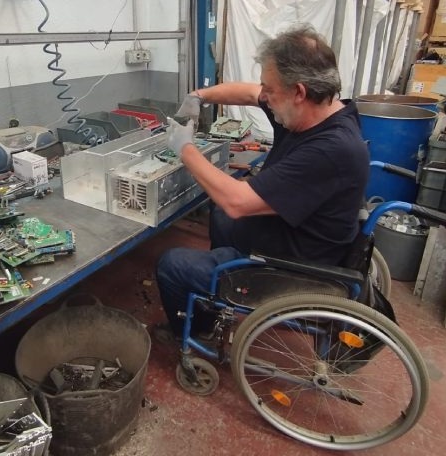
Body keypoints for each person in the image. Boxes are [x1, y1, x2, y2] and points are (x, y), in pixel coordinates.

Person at [155, 25, 370, 341]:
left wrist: (185, 148)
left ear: (298, 92)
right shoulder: (316, 111)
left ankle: (196, 331)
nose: (264, 97)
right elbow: (247, 93)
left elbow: (237, 201)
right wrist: (198, 96)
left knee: (173, 263)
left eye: (270, 89)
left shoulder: (331, 149)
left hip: (292, 268)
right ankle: (217, 291)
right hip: (291, 234)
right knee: (219, 215)